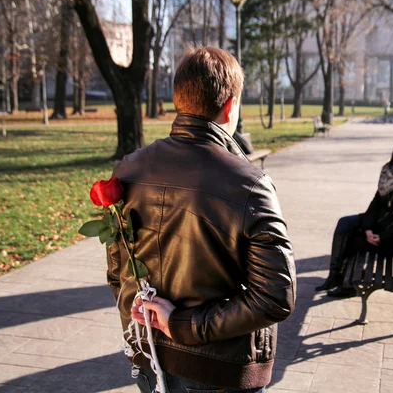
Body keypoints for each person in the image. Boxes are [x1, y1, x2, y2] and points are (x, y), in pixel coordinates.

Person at [107, 47, 296, 392]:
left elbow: (118, 270)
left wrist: (146, 320)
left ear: (180, 99)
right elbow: (275, 297)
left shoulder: (128, 169)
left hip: (149, 354)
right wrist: (183, 324)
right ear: (230, 105)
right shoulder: (250, 184)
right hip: (220, 368)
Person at [315, 138, 393, 298]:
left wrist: (382, 238)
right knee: (344, 223)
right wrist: (368, 228)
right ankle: (334, 276)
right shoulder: (390, 174)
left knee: (352, 240)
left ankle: (347, 286)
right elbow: (376, 204)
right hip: (384, 224)